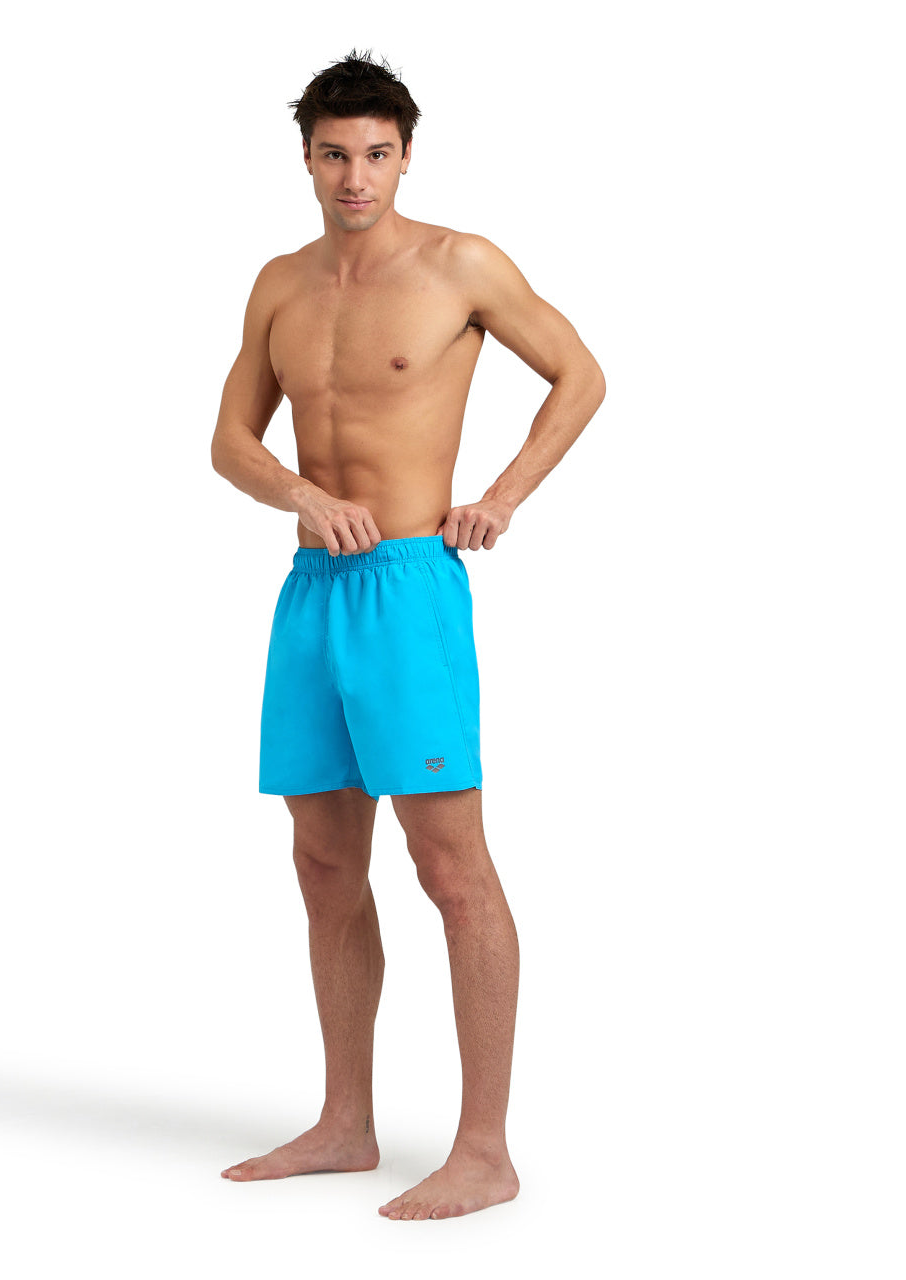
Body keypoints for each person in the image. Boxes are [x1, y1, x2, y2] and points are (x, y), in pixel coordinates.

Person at [211, 49, 605, 1221]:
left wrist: (504, 496)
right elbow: (229, 440)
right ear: (306, 158)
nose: (355, 176)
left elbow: (580, 375)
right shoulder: (280, 284)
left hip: (412, 586)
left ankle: (484, 1149)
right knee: (323, 860)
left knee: (451, 866)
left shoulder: (460, 265)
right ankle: (346, 1120)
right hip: (312, 590)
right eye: (335, 154)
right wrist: (298, 493)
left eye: (376, 154)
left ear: (406, 156)